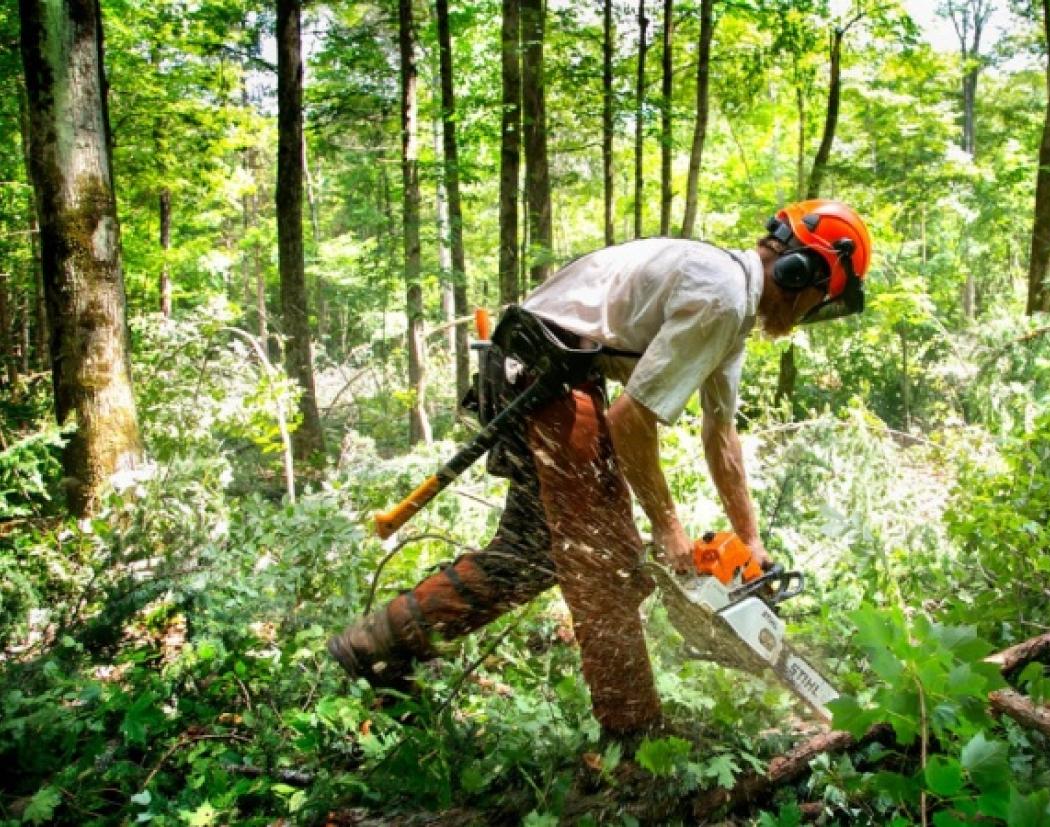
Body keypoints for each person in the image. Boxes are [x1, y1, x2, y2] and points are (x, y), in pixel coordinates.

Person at [327, 199, 873, 738]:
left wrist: (749, 541)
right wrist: (668, 526)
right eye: (818, 300)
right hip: (545, 372)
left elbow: (721, 434)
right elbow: (629, 420)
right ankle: (635, 742)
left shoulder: (733, 305)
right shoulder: (723, 297)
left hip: (542, 368)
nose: (808, 315)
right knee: (606, 562)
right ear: (800, 272)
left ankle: (377, 647)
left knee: (532, 554)